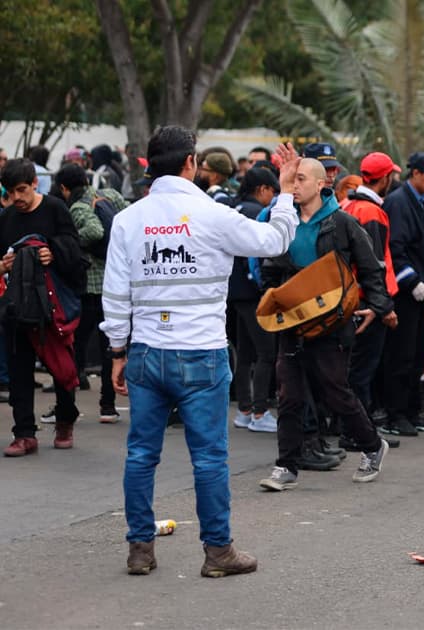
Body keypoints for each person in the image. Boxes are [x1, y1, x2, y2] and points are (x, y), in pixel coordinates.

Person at [100, 127, 300, 577]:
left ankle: (140, 549)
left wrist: (117, 349)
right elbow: (275, 242)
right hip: (202, 355)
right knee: (209, 458)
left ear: (148, 164)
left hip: (147, 353)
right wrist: (285, 193)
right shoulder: (212, 214)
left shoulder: (130, 219)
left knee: (140, 455)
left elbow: (115, 294)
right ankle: (217, 553)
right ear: (191, 162)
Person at [257, 156, 393, 492]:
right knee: (288, 395)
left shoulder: (342, 222)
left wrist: (377, 306)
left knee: (335, 391)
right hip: (292, 322)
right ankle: (286, 465)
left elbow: (372, 266)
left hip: (333, 323)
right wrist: (274, 296)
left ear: (322, 184)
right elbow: (270, 267)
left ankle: (373, 447)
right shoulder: (283, 220)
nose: (295, 185)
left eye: (301, 179)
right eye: (292, 179)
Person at [1, 159, 84, 457]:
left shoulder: (54, 209)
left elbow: (74, 248)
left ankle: (65, 420)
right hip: (17, 308)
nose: (18, 198)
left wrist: (54, 252)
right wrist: (3, 265)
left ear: (35, 183)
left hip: (52, 307)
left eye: (22, 189)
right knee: (19, 372)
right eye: (11, 192)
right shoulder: (7, 217)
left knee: (62, 369)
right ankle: (24, 433)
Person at [379, 152, 424, 435]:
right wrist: (413, 283)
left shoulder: (420, 203)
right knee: (402, 355)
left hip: (420, 292)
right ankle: (395, 414)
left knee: (418, 354)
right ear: (416, 174)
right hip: (405, 293)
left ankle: (412, 409)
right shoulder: (399, 203)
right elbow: (395, 250)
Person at [55, 164, 126, 423]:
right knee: (111, 347)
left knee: (76, 346)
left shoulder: (77, 208)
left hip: (89, 287)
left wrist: (71, 241)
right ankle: (108, 405)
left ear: (64, 188)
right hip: (114, 284)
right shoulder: (112, 196)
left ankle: (67, 403)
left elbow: (95, 231)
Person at [343, 153, 404, 421]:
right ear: (386, 178)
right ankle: (358, 430)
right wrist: (384, 307)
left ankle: (352, 427)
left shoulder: (349, 205)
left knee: (354, 368)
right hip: (367, 302)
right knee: (362, 371)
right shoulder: (371, 213)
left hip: (353, 298)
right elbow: (374, 265)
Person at [228, 167, 281, 433]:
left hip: (235, 292)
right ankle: (260, 413)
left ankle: (245, 409)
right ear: (262, 189)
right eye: (273, 192)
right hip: (253, 292)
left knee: (246, 354)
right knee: (267, 352)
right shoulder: (254, 214)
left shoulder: (233, 208)